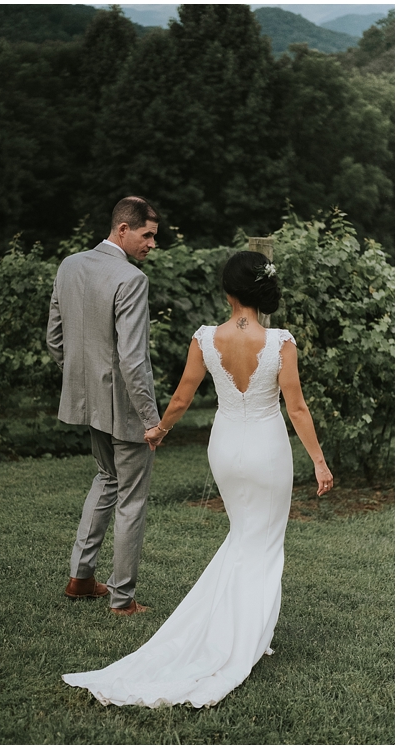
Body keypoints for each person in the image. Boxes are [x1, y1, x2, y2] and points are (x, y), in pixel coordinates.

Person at [62, 250, 333, 707]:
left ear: (228, 292)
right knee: (262, 544)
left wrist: (159, 430)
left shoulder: (206, 338)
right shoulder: (280, 341)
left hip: (225, 448)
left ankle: (240, 632)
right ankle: (245, 639)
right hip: (267, 449)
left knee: (243, 537)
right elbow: (297, 408)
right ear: (260, 291)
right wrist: (319, 463)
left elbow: (183, 396)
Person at [46, 196, 161, 615]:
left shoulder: (69, 265)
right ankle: (123, 599)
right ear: (123, 229)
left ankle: (80, 578)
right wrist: (152, 419)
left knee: (106, 478)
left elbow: (55, 339)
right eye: (147, 235)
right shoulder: (131, 280)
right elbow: (133, 359)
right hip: (125, 406)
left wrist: (81, 380)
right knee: (131, 497)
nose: (152, 244)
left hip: (87, 400)